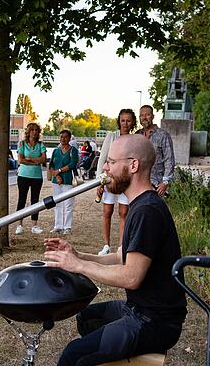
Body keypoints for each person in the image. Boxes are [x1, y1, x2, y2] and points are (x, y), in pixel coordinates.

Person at [44, 134, 187, 365]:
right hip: (138, 309)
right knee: (87, 318)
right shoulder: (138, 205)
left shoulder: (147, 211)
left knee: (73, 355)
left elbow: (131, 277)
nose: (105, 169)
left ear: (133, 165)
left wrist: (79, 266)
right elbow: (121, 257)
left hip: (154, 321)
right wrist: (78, 255)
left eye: (110, 162)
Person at [96, 108, 136, 255]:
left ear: (133, 122)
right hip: (109, 178)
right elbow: (102, 159)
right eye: (123, 120)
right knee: (107, 211)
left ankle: (121, 246)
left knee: (124, 212)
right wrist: (99, 182)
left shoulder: (134, 139)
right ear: (119, 121)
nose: (125, 123)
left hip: (125, 180)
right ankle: (106, 246)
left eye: (128, 120)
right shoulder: (112, 136)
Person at [14, 122, 47, 235]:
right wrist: (35, 161)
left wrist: (29, 159)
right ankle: (19, 224)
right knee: (21, 200)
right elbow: (20, 160)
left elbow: (43, 160)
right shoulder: (22, 144)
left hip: (37, 176)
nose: (34, 132)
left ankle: (34, 225)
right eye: (32, 130)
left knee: (35, 200)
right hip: (23, 175)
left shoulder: (40, 145)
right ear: (28, 132)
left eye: (36, 130)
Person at [136, 105, 175, 197]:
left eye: (147, 115)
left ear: (153, 116)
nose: (144, 118)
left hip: (156, 185)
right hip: (138, 183)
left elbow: (169, 160)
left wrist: (165, 182)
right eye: (142, 115)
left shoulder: (163, 135)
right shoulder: (137, 135)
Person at [48, 129, 79, 235]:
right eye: (61, 137)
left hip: (68, 180)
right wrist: (56, 175)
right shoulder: (56, 151)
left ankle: (67, 226)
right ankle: (58, 226)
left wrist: (59, 171)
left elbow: (72, 164)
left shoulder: (73, 150)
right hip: (56, 181)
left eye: (65, 137)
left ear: (69, 138)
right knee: (57, 203)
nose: (63, 139)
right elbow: (51, 164)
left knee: (68, 204)